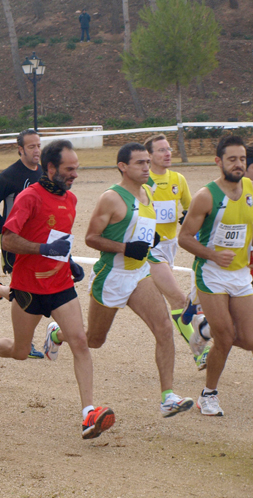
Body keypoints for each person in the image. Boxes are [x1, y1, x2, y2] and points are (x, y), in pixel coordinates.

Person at [0, 140, 114, 439]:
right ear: (51, 167)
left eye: (76, 169)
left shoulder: (71, 199)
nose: (74, 175)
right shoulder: (29, 198)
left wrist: (68, 262)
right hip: (28, 288)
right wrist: (42, 248)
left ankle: (88, 414)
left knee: (80, 340)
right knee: (18, 351)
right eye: (69, 170)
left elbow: (59, 239)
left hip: (60, 285)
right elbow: (7, 240)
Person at [85, 142, 193, 418]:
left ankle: (168, 397)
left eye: (148, 162)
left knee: (164, 328)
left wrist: (150, 238)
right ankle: (57, 333)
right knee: (95, 340)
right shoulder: (111, 198)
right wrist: (124, 248)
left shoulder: (147, 191)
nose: (147, 167)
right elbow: (90, 238)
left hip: (139, 273)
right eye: (140, 163)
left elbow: (142, 224)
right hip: (112, 276)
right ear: (123, 166)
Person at [178, 136, 253, 417]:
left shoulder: (250, 190)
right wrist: (212, 255)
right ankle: (208, 395)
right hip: (211, 274)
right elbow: (184, 238)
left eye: (243, 159)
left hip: (240, 275)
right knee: (226, 336)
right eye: (232, 159)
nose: (238, 164)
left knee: (248, 339)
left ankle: (202, 329)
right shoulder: (206, 196)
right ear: (218, 161)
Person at [143, 134, 209, 368]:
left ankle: (58, 334)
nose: (167, 153)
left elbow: (191, 210)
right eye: (161, 150)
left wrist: (188, 219)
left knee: (100, 326)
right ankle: (199, 352)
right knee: (179, 299)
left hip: (170, 247)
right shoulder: (142, 180)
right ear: (148, 156)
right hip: (149, 249)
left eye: (169, 149)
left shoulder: (178, 179)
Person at [0, 129, 44, 358]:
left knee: (35, 288)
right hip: (16, 244)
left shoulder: (44, 172)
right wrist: (7, 232)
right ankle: (27, 342)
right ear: (20, 150)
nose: (36, 150)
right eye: (31, 147)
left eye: (38, 145)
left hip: (39, 243)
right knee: (28, 291)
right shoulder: (9, 176)